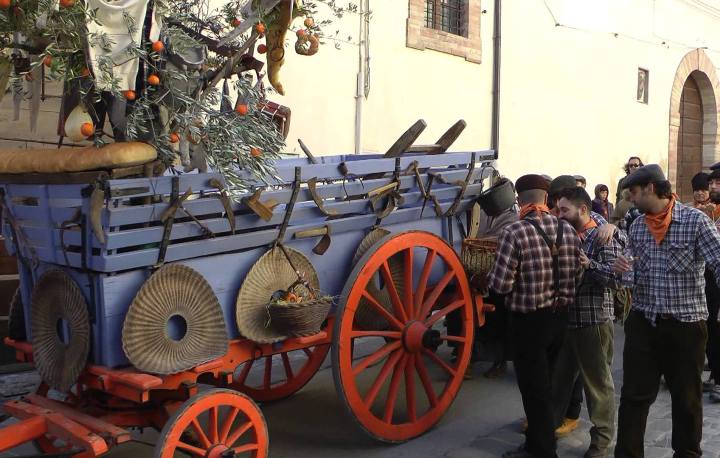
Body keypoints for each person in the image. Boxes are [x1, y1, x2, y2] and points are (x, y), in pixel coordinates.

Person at [613, 164, 720, 458]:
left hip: (685, 325)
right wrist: (622, 271)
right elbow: (633, 274)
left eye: (633, 192)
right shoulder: (637, 226)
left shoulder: (695, 221)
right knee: (633, 398)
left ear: (650, 188)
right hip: (643, 322)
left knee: (687, 400)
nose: (630, 199)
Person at [485, 174, 583, 458]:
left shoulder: (514, 233)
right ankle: (542, 440)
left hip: (528, 322)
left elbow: (501, 284)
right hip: (560, 318)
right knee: (552, 383)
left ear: (519, 200)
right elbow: (577, 274)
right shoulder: (567, 230)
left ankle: (541, 449)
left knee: (534, 389)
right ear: (547, 199)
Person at [557, 187, 624, 458]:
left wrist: (590, 265)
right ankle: (542, 433)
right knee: (559, 381)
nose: (559, 215)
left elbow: (617, 280)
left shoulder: (603, 236)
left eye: (564, 210)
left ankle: (601, 444)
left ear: (582, 210)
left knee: (598, 387)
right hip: (571, 317)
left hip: (593, 320)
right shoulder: (576, 228)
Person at [704, 169, 720, 403]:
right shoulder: (712, 212)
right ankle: (716, 374)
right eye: (712, 182)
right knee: (711, 332)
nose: (712, 187)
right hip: (708, 280)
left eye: (717, 182)